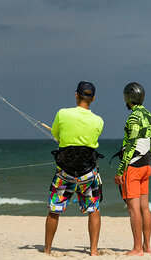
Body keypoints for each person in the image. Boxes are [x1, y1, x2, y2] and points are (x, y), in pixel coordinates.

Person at [44, 81, 104, 256]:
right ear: (92, 98)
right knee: (93, 210)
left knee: (54, 210)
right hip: (88, 175)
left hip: (65, 175)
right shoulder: (99, 121)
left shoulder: (62, 114)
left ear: (76, 95)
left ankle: (47, 250)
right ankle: (93, 251)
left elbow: (56, 134)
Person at [114, 82, 151, 256]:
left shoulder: (133, 118)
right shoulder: (149, 115)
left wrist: (120, 170)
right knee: (144, 207)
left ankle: (137, 248)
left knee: (134, 208)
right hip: (146, 165)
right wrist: (148, 160)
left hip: (133, 167)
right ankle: (147, 246)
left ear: (128, 98)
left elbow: (130, 145)